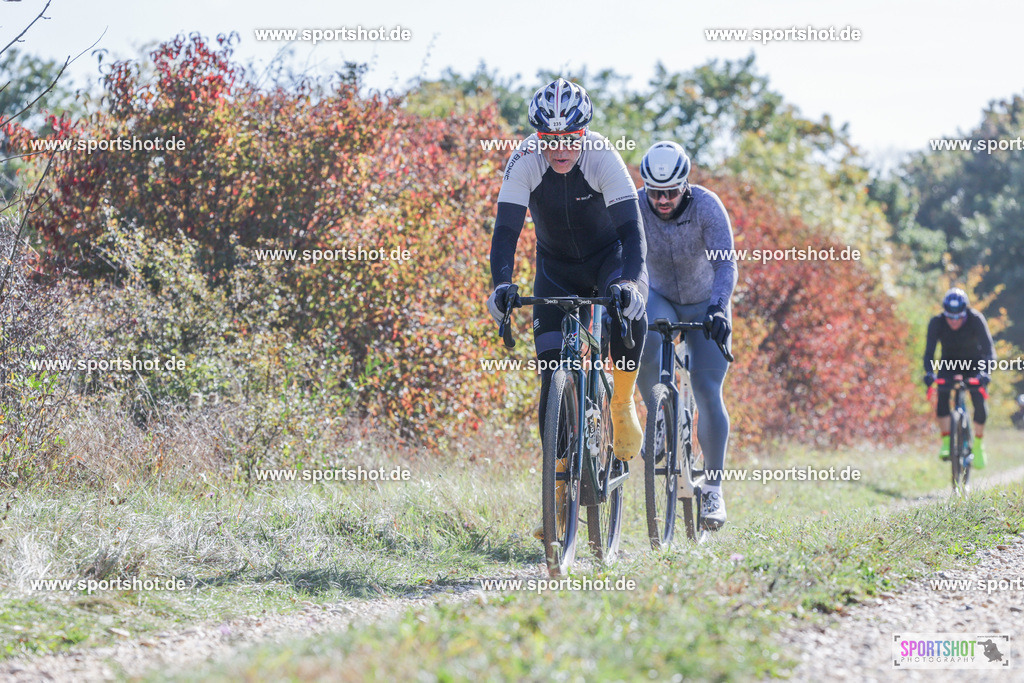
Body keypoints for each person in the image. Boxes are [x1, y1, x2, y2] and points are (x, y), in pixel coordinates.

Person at [485, 78, 648, 538]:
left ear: (583, 135)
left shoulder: (602, 157)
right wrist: (501, 285)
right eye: (550, 139)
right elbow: (505, 232)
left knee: (626, 317)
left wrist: (631, 285)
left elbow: (634, 235)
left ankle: (619, 403)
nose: (559, 149)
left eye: (568, 140)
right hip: (555, 267)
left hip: (610, 259)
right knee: (550, 369)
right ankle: (557, 492)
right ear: (538, 136)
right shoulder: (523, 160)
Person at [634, 141, 737, 530]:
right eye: (655, 192)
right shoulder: (636, 204)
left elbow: (726, 264)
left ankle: (713, 487)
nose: (662, 200)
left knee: (708, 389)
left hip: (705, 299)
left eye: (671, 192)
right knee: (645, 335)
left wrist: (718, 307)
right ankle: (659, 416)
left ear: (686, 185)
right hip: (661, 295)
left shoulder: (707, 206)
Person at [923, 287, 995, 467]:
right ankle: (946, 442)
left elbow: (989, 351)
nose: (954, 321)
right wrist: (929, 373)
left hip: (974, 363)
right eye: (950, 317)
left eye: (958, 317)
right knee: (942, 395)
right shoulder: (936, 323)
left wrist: (986, 373)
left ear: (965, 312)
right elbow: (929, 353)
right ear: (944, 312)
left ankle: (978, 445)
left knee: (979, 400)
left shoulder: (976, 319)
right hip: (948, 363)